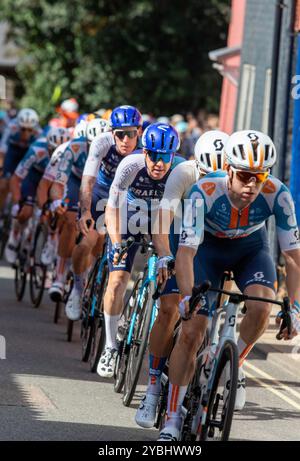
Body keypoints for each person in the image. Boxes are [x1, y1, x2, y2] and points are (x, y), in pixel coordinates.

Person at [156, 130, 300, 441]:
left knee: (263, 308)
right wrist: (185, 297)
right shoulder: (203, 191)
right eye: (245, 176)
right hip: (205, 249)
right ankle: (170, 418)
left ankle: (233, 366)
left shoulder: (278, 193)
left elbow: (293, 258)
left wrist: (297, 308)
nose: (252, 185)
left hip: (250, 249)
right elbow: (186, 250)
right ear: (230, 170)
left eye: (259, 177)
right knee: (193, 328)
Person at [135, 130, 229, 430]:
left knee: (219, 305)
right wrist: (164, 256)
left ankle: (222, 364)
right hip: (180, 237)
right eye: (203, 173)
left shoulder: (236, 183)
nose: (207, 180)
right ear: (195, 164)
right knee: (169, 308)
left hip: (213, 245)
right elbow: (161, 224)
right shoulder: (182, 174)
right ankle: (152, 387)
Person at [97, 122, 184, 378]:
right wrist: (116, 241)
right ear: (144, 152)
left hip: (163, 218)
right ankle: (111, 346)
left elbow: (187, 216)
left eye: (165, 157)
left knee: (172, 273)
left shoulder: (181, 171)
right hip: (128, 215)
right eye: (154, 156)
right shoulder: (130, 165)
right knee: (117, 280)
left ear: (173, 157)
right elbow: (112, 207)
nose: (159, 163)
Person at [65, 105, 143, 321]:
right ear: (112, 133)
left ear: (140, 131)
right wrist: (85, 212)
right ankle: (78, 289)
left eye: (131, 134)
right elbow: (88, 180)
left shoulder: (147, 149)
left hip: (127, 201)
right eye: (120, 134)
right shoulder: (102, 143)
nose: (125, 139)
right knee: (84, 245)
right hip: (101, 195)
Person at [48, 118, 109, 301]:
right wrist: (57, 201)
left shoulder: (115, 151)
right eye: (91, 144)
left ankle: (90, 271)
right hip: (76, 182)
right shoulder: (74, 147)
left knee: (100, 234)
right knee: (69, 219)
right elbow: (58, 182)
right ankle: (60, 274)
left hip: (100, 188)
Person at [4, 127, 70, 264]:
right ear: (48, 146)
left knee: (54, 213)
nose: (56, 154)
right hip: (33, 178)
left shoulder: (69, 155)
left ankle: (49, 240)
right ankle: (15, 235)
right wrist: (17, 203)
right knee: (26, 211)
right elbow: (15, 178)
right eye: (53, 150)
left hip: (54, 181)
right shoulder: (36, 150)